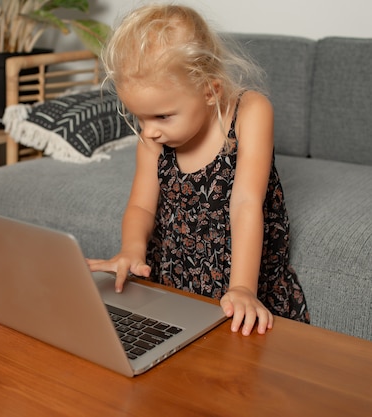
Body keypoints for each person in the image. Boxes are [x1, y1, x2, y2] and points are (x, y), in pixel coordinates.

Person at [87, 4, 310, 336]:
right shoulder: (153, 139)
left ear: (210, 90)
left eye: (162, 116)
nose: (148, 131)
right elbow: (141, 206)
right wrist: (131, 249)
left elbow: (246, 204)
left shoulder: (251, 112)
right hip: (174, 276)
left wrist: (244, 290)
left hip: (240, 274)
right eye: (139, 117)